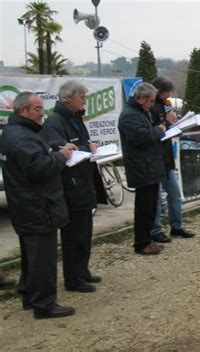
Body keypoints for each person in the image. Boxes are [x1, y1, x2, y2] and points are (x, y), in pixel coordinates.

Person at [1, 92, 75, 319]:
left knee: (31, 255)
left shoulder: (15, 132)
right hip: (37, 205)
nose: (42, 113)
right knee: (43, 257)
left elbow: (32, 159)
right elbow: (38, 168)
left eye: (42, 108)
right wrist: (61, 157)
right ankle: (44, 304)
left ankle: (29, 295)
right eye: (37, 109)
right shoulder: (22, 137)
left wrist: (52, 151)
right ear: (23, 110)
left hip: (26, 204)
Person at [40, 80, 105, 293]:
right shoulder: (55, 122)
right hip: (71, 184)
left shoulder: (76, 118)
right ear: (68, 98)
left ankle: (82, 270)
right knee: (73, 234)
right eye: (82, 98)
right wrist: (88, 147)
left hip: (84, 180)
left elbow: (80, 144)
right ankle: (73, 277)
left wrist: (90, 147)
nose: (84, 101)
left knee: (85, 232)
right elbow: (62, 150)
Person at [119, 82, 167, 255]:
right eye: (151, 101)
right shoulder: (129, 116)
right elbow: (140, 137)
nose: (152, 105)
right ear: (142, 98)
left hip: (150, 166)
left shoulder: (141, 113)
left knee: (151, 207)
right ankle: (141, 242)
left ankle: (147, 239)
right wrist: (159, 131)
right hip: (141, 167)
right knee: (144, 208)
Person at [149, 78, 196, 243]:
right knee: (156, 198)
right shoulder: (150, 107)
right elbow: (153, 131)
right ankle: (155, 229)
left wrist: (174, 128)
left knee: (175, 194)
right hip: (156, 158)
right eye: (166, 91)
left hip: (167, 157)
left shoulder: (163, 105)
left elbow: (165, 126)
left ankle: (176, 226)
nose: (168, 95)